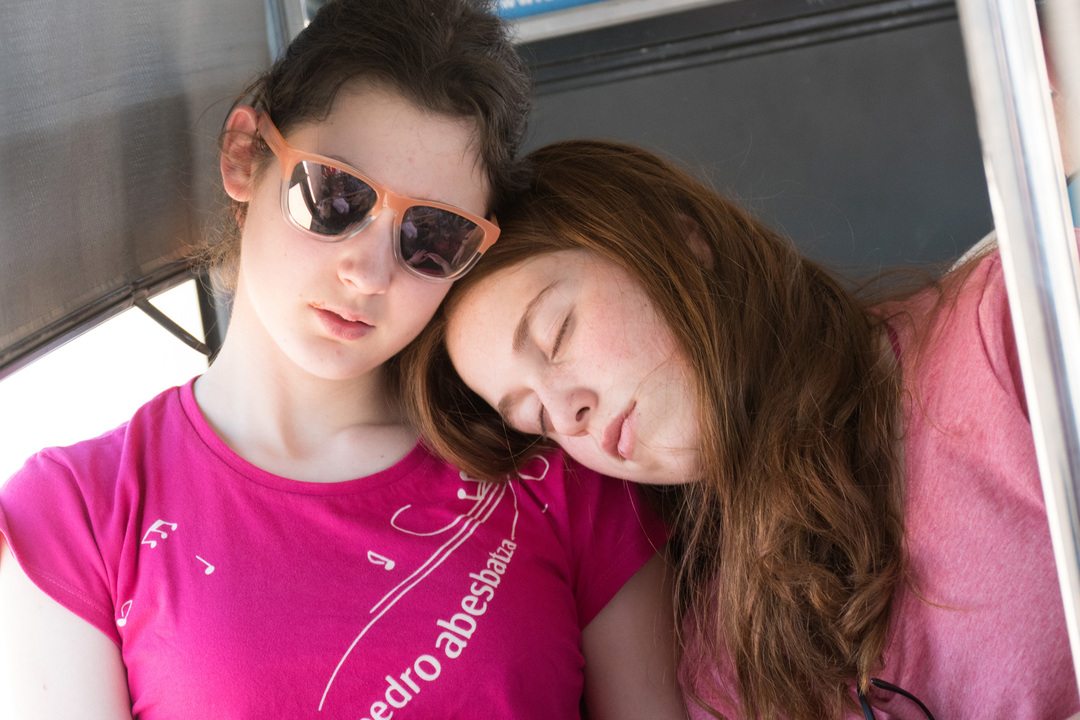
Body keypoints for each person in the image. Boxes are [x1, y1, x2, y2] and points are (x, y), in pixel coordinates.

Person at [0, 3, 684, 718]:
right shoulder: (74, 516)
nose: (369, 273)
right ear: (245, 156)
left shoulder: (557, 469)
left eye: (432, 236)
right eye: (334, 196)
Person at [400, 138, 1080, 720]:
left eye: (557, 334)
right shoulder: (713, 664)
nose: (566, 411)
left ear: (682, 239)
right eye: (536, 417)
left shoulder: (1012, 334)